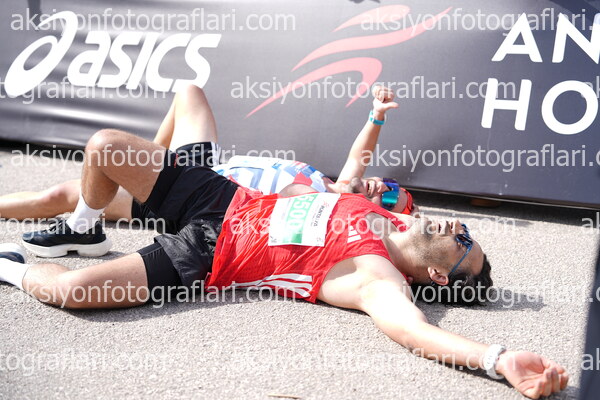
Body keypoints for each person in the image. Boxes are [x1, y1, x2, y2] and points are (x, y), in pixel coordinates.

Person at [0, 126, 567, 399]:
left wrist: (497, 360)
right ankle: (84, 229)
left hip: (209, 254)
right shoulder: (387, 214)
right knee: (104, 147)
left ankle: (10, 265)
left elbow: (416, 333)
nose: (457, 228)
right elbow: (339, 178)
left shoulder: (377, 278)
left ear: (439, 276)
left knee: (73, 292)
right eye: (466, 229)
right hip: (223, 195)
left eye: (463, 242)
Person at [0, 85, 416, 231]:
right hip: (204, 165)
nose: (384, 187)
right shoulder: (332, 183)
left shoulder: (332, 203)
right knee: (189, 92)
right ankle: (145, 164)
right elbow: (357, 159)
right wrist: (376, 114)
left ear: (372, 213)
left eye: (388, 199)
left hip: (195, 198)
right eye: (393, 186)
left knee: (59, 197)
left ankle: (140, 175)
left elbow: (353, 179)